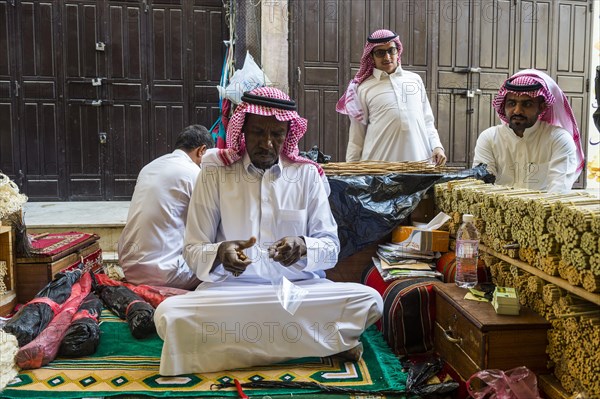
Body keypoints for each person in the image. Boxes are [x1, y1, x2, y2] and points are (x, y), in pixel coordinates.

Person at [154, 87, 383, 375]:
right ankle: (320, 344)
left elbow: (330, 248)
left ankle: (231, 350)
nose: (267, 143)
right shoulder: (215, 172)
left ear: (288, 134)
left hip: (297, 291)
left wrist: (303, 246)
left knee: (369, 300)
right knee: (168, 315)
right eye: (258, 132)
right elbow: (193, 249)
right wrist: (220, 253)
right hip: (231, 294)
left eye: (277, 134)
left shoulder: (306, 175)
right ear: (242, 131)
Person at [118, 125, 214, 290]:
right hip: (165, 275)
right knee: (221, 259)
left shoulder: (149, 167)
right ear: (202, 150)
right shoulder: (194, 173)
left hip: (129, 269)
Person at [337, 29, 446, 165]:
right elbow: (356, 136)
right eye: (380, 53)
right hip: (379, 169)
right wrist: (352, 169)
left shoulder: (415, 80)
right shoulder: (363, 88)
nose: (387, 57)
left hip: (419, 164)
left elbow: (427, 120)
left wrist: (437, 146)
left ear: (398, 51)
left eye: (391, 51)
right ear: (371, 56)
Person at [473, 69, 585, 193]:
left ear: (541, 107)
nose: (517, 111)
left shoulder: (559, 139)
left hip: (544, 209)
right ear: (504, 105)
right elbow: (482, 186)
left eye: (526, 104)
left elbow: (558, 192)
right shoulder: (489, 137)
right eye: (511, 103)